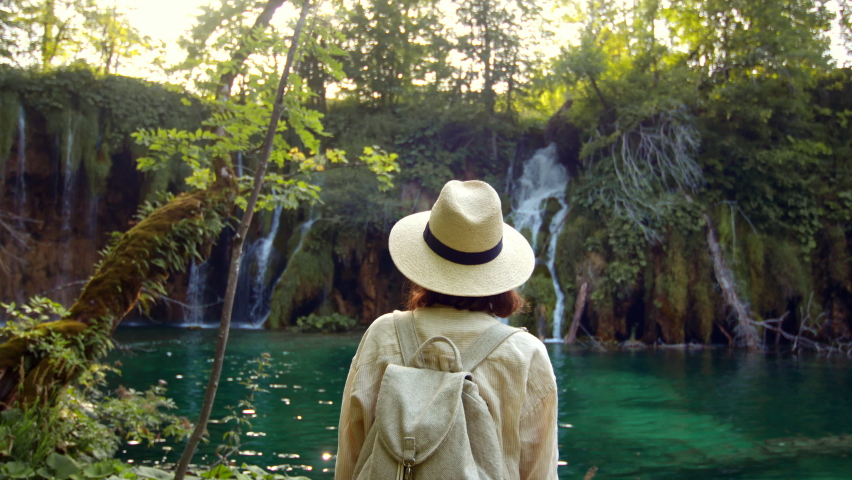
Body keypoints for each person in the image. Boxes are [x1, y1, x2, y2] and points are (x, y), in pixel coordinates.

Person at [334, 180, 559, 480]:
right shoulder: (526, 355)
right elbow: (540, 473)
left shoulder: (383, 335)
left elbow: (351, 455)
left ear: (424, 262)